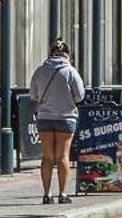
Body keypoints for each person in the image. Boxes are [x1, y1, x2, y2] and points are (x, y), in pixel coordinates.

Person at [30, 39, 86, 204]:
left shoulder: (40, 71)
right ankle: (62, 194)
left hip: (45, 117)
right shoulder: (70, 72)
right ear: (66, 54)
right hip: (66, 117)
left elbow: (33, 95)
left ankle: (47, 194)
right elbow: (80, 95)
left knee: (47, 157)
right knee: (63, 156)